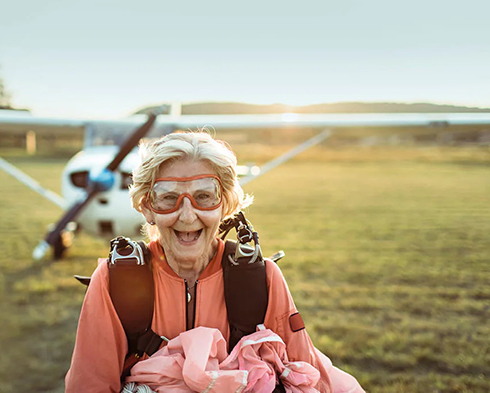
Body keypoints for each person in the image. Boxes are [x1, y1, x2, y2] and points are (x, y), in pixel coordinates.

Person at [65, 132, 363, 392]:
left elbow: (308, 379)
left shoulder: (262, 278)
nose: (186, 215)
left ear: (227, 204)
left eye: (204, 197)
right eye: (168, 198)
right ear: (146, 208)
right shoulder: (113, 280)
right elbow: (89, 385)